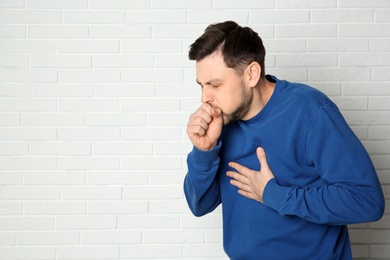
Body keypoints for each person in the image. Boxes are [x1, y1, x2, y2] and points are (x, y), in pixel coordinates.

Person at [183, 21, 385, 260]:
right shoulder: (222, 121)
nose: (205, 98)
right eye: (202, 86)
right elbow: (200, 205)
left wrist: (274, 194)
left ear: (251, 74)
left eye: (215, 84)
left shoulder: (310, 111)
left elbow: (367, 201)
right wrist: (203, 151)